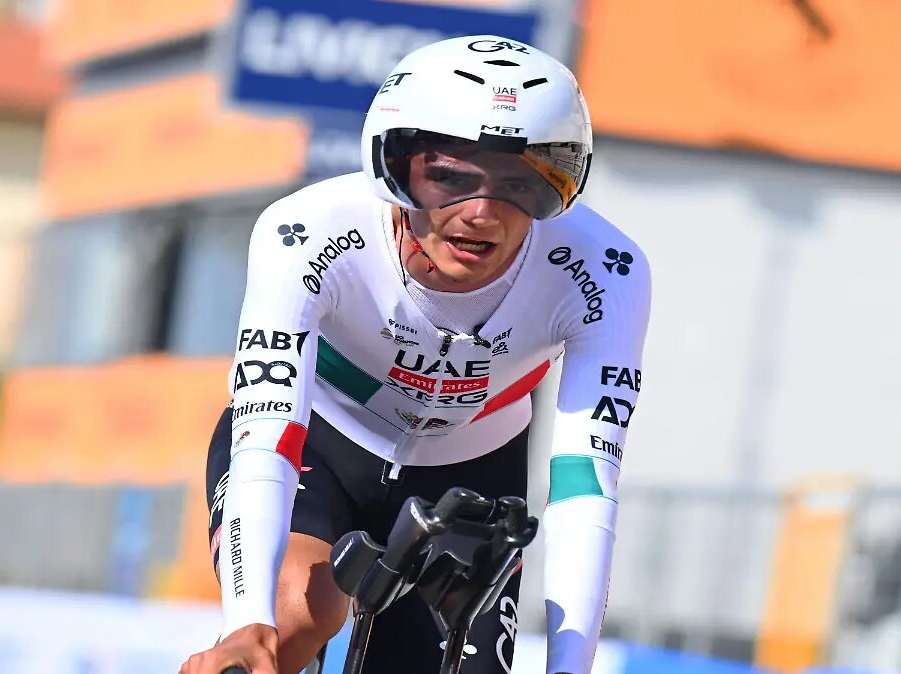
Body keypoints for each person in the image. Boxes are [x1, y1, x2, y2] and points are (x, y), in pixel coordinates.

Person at [179, 34, 650, 674]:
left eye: (520, 185)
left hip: (472, 473)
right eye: (449, 178)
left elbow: (585, 484)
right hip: (322, 443)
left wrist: (571, 667)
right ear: (393, 168)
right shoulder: (309, 232)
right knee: (295, 618)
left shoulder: (604, 270)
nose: (481, 213)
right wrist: (246, 626)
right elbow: (269, 436)